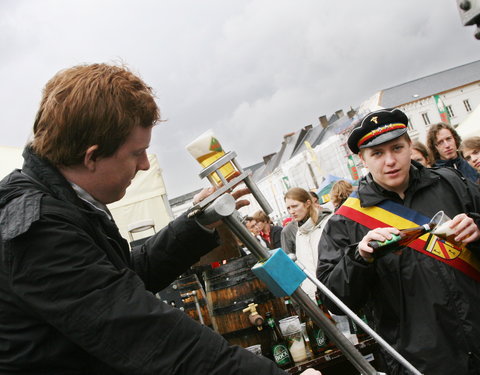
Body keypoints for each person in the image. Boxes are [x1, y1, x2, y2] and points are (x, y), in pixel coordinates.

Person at [0, 63, 321, 375]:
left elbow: (124, 276)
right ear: (92, 156)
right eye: (136, 153)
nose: (144, 165)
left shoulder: (65, 202)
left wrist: (198, 222)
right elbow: (149, 338)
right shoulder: (37, 228)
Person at [316, 107, 480, 375]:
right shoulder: (345, 222)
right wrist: (360, 257)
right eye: (377, 154)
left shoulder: (451, 183)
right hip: (421, 363)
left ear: (408, 145)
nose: (390, 161)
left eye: (397, 148)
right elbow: (333, 302)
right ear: (362, 160)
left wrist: (477, 231)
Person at [284, 187, 332, 300]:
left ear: (307, 203)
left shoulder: (328, 223)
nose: (291, 211)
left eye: (295, 206)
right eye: (288, 208)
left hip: (334, 294)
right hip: (315, 298)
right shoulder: (299, 233)